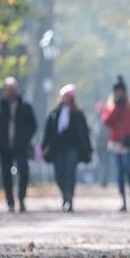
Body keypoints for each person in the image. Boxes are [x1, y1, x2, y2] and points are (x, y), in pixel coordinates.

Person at [0, 76, 37, 212]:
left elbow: (33, 125)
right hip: (4, 147)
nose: (11, 92)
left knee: (23, 170)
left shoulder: (25, 106)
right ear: (4, 90)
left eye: (13, 90)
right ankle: (10, 201)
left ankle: (21, 197)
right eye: (8, 90)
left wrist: (25, 139)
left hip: (21, 146)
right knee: (6, 174)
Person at [41, 84, 93, 212]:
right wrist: (44, 147)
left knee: (70, 173)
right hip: (57, 149)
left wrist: (89, 150)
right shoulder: (54, 114)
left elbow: (84, 134)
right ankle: (64, 195)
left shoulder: (78, 115)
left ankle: (69, 197)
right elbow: (48, 132)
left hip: (73, 149)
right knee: (59, 174)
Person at [101, 75, 130, 211]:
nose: (119, 93)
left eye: (121, 90)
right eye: (117, 90)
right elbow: (106, 122)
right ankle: (123, 199)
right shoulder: (111, 105)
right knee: (119, 172)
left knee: (129, 169)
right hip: (115, 144)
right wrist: (116, 107)